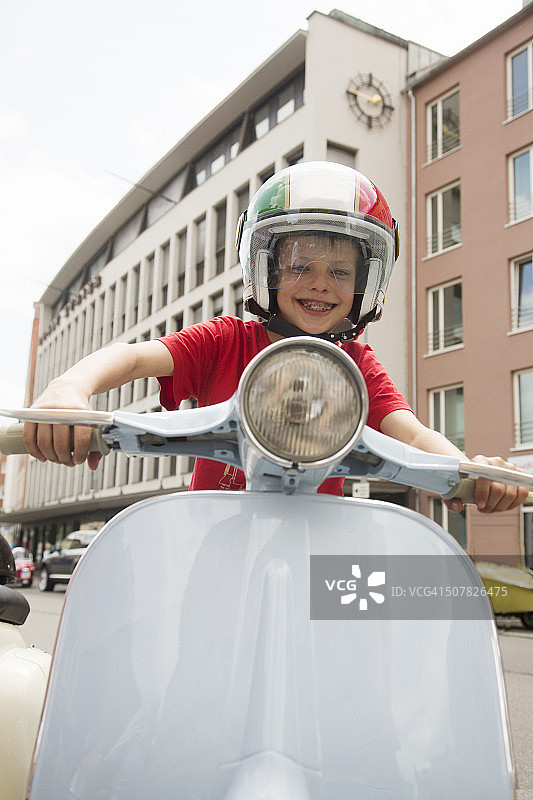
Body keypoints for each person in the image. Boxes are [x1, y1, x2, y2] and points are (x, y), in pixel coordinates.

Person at [23, 161, 527, 513]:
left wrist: (465, 468)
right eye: (299, 265)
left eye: (341, 271)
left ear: (366, 282)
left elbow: (413, 435)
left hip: (312, 556)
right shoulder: (225, 341)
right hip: (213, 540)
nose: (321, 283)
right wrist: (70, 390)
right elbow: (133, 359)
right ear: (263, 267)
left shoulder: (356, 366)